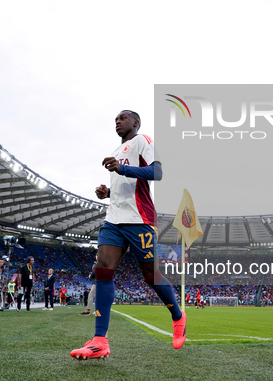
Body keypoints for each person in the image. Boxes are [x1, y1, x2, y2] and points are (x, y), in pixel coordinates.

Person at [70, 110, 186, 361]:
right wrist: (107, 192)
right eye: (116, 119)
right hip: (113, 220)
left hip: (139, 220)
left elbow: (157, 173)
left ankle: (177, 316)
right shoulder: (117, 151)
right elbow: (125, 190)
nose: (118, 121)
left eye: (123, 118)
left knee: (150, 275)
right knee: (103, 268)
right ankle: (100, 340)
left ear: (136, 122)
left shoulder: (143, 140)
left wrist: (123, 170)